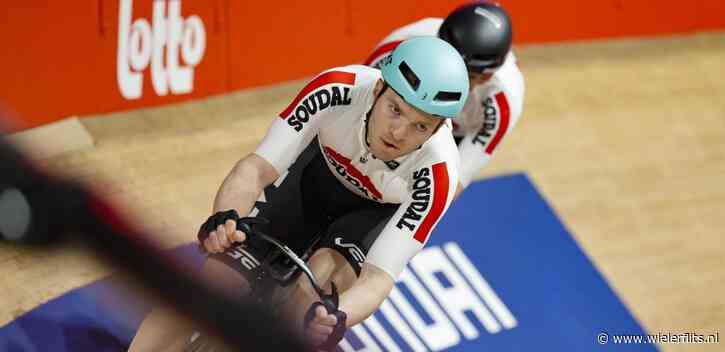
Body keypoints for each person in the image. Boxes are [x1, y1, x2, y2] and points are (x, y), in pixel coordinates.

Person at [128, 36, 469, 351]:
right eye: (395, 109)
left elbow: (378, 277)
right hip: (313, 180)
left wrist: (338, 316)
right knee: (209, 289)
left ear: (440, 128)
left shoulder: (438, 173)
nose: (399, 132)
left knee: (310, 301)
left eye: (420, 126)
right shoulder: (337, 89)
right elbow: (256, 168)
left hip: (369, 214)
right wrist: (226, 218)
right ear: (379, 87)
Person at [365, 1, 525, 198]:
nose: (446, 81)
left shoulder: (504, 101)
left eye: (466, 76)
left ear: (485, 78)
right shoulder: (404, 44)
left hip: (453, 136)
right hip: (402, 109)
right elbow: (362, 97)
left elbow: (456, 179)